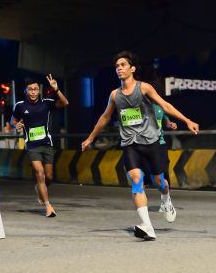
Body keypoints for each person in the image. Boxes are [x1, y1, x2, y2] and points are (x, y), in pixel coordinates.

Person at [81, 51, 199, 241]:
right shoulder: (115, 95)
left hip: (151, 142)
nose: (119, 68)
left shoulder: (144, 88)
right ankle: (148, 227)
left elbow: (165, 106)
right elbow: (105, 117)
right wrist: (90, 138)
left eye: (123, 65)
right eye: (117, 66)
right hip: (130, 144)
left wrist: (187, 120)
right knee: (136, 180)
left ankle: (166, 199)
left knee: (160, 182)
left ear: (132, 69)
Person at [11, 75, 69, 218]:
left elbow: (65, 102)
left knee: (49, 176)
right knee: (40, 173)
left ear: (39, 91)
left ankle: (39, 188)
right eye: (30, 89)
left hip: (47, 144)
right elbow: (13, 120)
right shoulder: (20, 105)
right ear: (26, 91)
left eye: (35, 89)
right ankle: (48, 206)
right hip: (32, 145)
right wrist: (16, 124)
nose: (33, 92)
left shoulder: (47, 103)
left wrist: (56, 89)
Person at [152, 103, 177, 212]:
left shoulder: (159, 107)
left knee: (164, 173)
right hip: (145, 144)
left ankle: (165, 201)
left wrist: (170, 124)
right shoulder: (139, 105)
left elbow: (167, 122)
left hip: (160, 144)